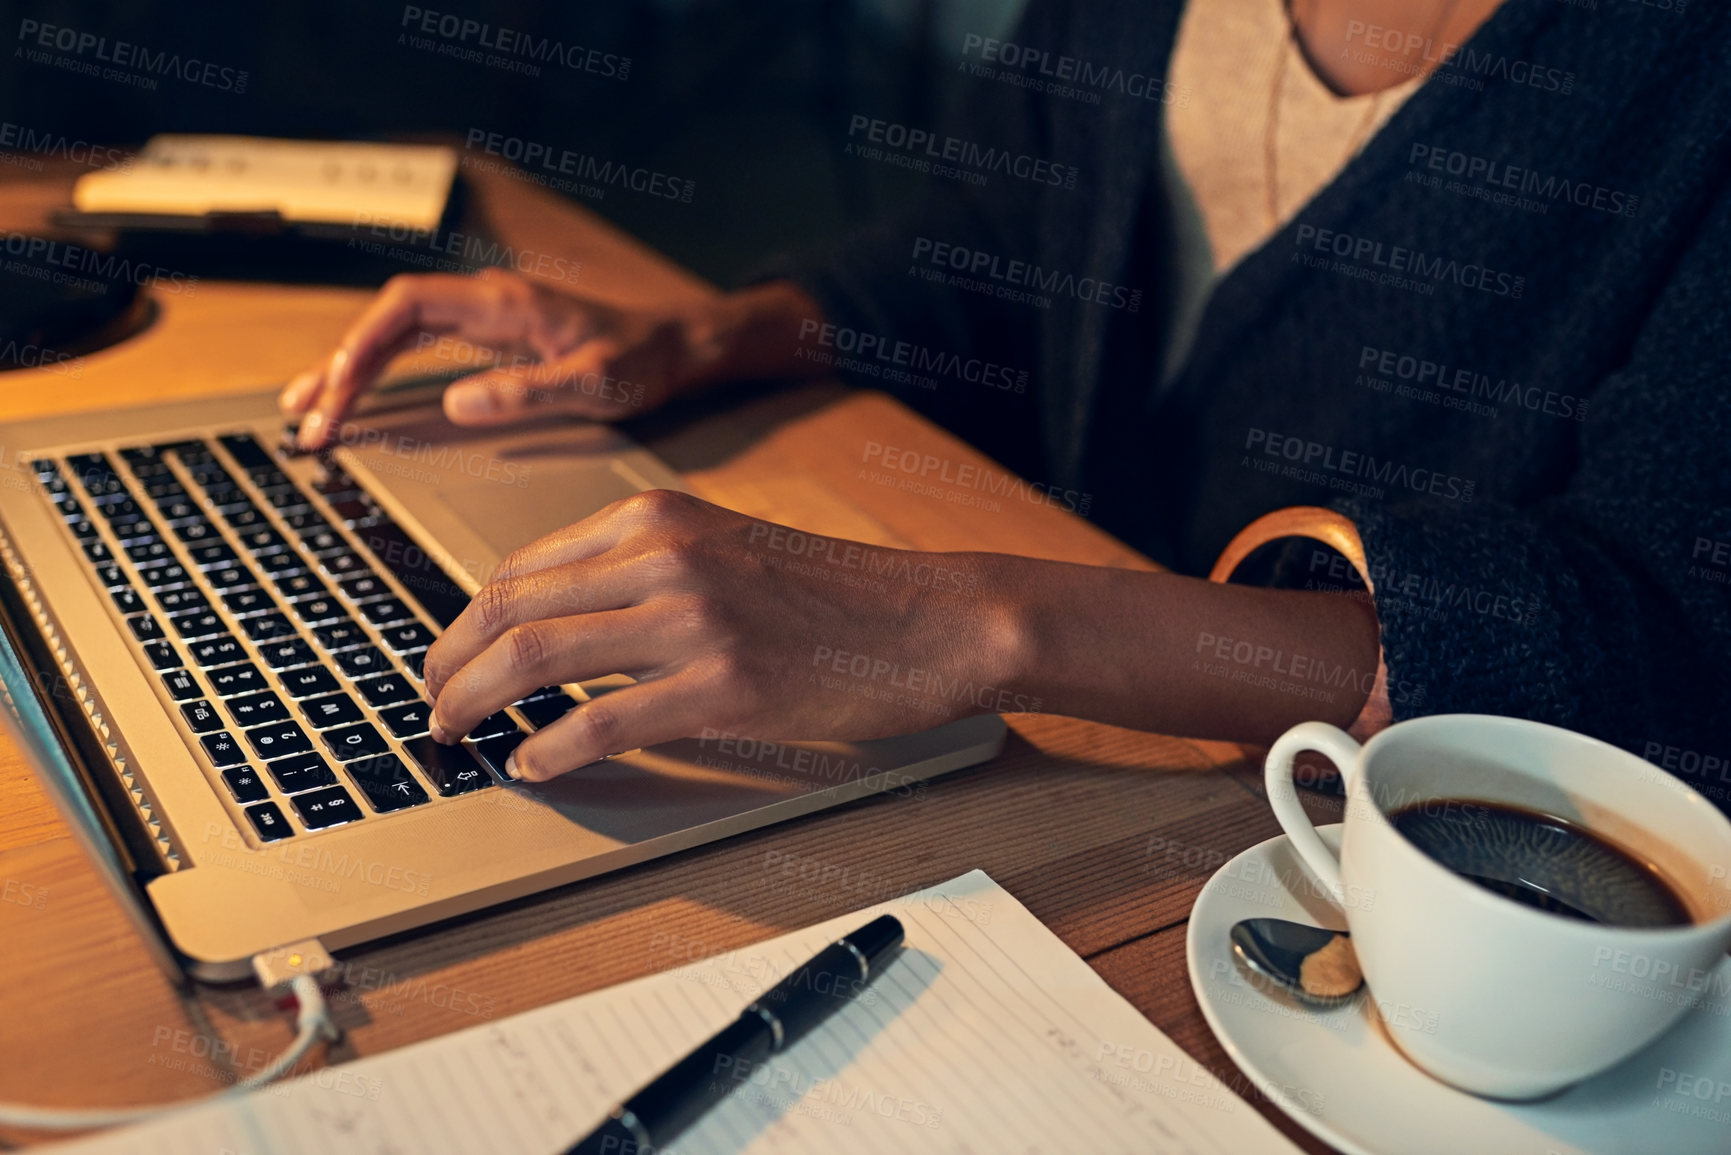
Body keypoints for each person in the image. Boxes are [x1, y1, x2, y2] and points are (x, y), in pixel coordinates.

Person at [282, 0, 1731, 796]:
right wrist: (700, 339)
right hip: (1064, 787)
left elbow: (1662, 654)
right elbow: (998, 251)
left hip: (1352, 885)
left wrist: (964, 621)